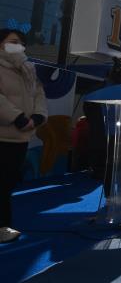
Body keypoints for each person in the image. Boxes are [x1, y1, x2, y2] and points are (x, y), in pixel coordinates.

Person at [0, 29, 47, 243]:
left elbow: (38, 94)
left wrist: (37, 117)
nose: (19, 46)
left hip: (20, 137)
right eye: (13, 42)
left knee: (7, 183)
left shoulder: (28, 68)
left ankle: (3, 226)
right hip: (4, 132)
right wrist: (17, 117)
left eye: (21, 43)